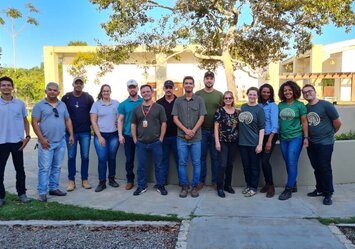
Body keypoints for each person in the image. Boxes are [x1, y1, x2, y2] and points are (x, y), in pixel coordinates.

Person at [32, 82, 74, 202]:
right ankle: (42, 192)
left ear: (58, 92)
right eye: (49, 89)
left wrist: (71, 134)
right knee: (44, 168)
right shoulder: (39, 106)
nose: (52, 92)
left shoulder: (62, 105)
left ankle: (54, 188)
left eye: (55, 90)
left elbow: (67, 119)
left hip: (60, 141)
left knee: (57, 166)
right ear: (46, 91)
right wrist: (41, 139)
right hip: (46, 142)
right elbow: (34, 122)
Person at [302, 84, 342, 205]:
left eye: (309, 91)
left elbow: (338, 122)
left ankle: (328, 193)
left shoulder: (326, 105)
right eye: (305, 92)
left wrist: (330, 134)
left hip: (326, 143)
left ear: (315, 91)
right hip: (312, 142)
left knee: (324, 167)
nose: (307, 93)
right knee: (316, 167)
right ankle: (319, 189)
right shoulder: (306, 108)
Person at [172, 76, 207, 198]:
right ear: (183, 85)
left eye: (190, 83)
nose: (188, 85)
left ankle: (194, 187)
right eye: (186, 83)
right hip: (181, 138)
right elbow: (175, 118)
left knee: (197, 163)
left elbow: (202, 117)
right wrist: (186, 130)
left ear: (193, 85)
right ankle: (184, 186)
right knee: (182, 163)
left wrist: (193, 131)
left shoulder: (199, 100)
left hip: (196, 138)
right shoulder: (178, 101)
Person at [0, 76, 31, 207]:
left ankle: (22, 194)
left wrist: (28, 137)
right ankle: (1, 197)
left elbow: (25, 121)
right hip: (1, 142)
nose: (6, 87)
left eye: (8, 85)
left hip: (17, 142)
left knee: (20, 170)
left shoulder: (20, 104)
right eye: (3, 85)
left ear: (12, 87)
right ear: (0, 88)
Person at [131, 85, 167, 195]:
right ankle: (142, 186)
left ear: (151, 92)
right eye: (143, 92)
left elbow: (164, 123)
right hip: (141, 143)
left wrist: (161, 138)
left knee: (159, 165)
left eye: (148, 91)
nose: (146, 93)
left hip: (156, 142)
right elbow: (133, 124)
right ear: (141, 93)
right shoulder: (137, 109)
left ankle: (160, 186)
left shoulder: (159, 107)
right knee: (141, 166)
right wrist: (135, 139)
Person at [61, 77, 94, 191]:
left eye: (81, 83)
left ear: (83, 86)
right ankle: (71, 180)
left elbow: (93, 114)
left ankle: (84, 179)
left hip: (85, 132)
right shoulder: (66, 98)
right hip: (71, 133)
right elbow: (63, 114)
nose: (78, 85)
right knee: (71, 156)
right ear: (73, 84)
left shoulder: (88, 97)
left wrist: (91, 125)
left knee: (85, 156)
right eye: (76, 83)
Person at [278, 80, 308, 201]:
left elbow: (304, 122)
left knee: (291, 161)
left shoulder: (299, 105)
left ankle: (288, 189)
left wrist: (306, 137)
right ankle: (293, 183)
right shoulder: (280, 105)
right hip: (283, 138)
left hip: (296, 137)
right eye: (285, 90)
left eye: (290, 90)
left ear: (294, 91)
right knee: (288, 162)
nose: (287, 92)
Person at [196, 71, 223, 190]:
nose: (209, 80)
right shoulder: (198, 94)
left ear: (214, 80)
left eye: (211, 78)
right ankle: (201, 181)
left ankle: (215, 181)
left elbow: (224, 110)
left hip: (215, 132)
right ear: (203, 80)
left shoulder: (219, 94)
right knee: (201, 157)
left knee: (215, 158)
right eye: (207, 78)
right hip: (201, 131)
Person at [90, 84, 120, 192]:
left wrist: (118, 123)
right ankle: (102, 182)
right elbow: (93, 121)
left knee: (112, 158)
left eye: (108, 91)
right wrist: (99, 136)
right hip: (100, 135)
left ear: (110, 92)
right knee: (102, 159)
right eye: (104, 91)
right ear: (101, 92)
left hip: (113, 135)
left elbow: (121, 117)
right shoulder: (96, 105)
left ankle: (111, 179)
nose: (106, 92)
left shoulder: (116, 103)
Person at [238, 87, 265, 197]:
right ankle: (248, 185)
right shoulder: (243, 107)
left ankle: (253, 187)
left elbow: (262, 128)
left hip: (254, 143)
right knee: (246, 166)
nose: (252, 96)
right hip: (242, 143)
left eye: (254, 95)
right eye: (250, 94)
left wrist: (260, 144)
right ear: (247, 95)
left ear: (257, 96)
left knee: (254, 166)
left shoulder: (259, 109)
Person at [118, 79, 143, 190]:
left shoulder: (144, 101)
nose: (132, 89)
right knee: (129, 160)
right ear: (128, 89)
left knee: (142, 160)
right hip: (128, 136)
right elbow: (120, 120)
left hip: (142, 136)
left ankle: (142, 181)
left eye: (134, 87)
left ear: (137, 88)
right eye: (130, 87)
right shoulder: (123, 104)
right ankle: (130, 181)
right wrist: (120, 135)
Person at [214, 91, 240, 198]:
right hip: (223, 141)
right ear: (223, 100)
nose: (228, 100)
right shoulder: (220, 111)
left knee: (230, 164)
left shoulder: (237, 112)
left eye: (230, 98)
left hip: (234, 142)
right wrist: (217, 142)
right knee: (222, 164)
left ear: (233, 99)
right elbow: (215, 127)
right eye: (226, 98)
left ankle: (227, 185)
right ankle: (220, 187)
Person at [258, 84, 279, 198]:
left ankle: (271, 186)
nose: (266, 94)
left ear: (271, 94)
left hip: (270, 135)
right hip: (261, 135)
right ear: (260, 92)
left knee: (265, 161)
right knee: (262, 161)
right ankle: (266, 184)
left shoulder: (273, 106)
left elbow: (275, 125)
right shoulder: (259, 105)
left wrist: (269, 141)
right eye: (264, 92)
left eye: (268, 92)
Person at [156, 80, 179, 186]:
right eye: (167, 87)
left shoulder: (179, 101)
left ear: (174, 88)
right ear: (164, 89)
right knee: (163, 161)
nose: (169, 89)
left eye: (170, 87)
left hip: (177, 137)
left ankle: (182, 182)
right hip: (163, 137)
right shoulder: (158, 103)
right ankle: (163, 182)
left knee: (180, 161)